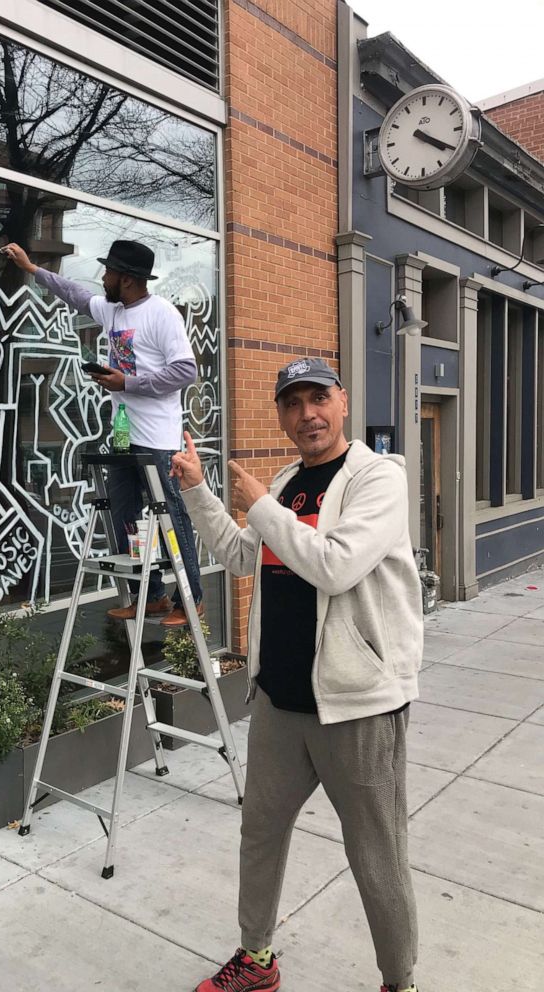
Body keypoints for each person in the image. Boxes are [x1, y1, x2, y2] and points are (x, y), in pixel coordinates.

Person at [171, 357, 423, 992]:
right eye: (292, 402)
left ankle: (401, 980)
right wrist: (200, 492)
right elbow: (238, 558)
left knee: (376, 855)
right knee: (260, 833)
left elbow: (335, 566)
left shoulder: (378, 479)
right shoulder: (285, 484)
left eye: (318, 398)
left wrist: (260, 508)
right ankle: (256, 960)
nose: (307, 413)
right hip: (282, 703)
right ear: (281, 414)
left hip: (357, 705)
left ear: (342, 403)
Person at [4, 238, 203, 626]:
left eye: (109, 271)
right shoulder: (112, 310)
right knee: (125, 518)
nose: (103, 277)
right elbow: (76, 295)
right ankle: (152, 597)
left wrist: (125, 382)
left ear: (127, 279)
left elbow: (185, 371)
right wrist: (31, 269)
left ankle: (191, 598)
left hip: (159, 442)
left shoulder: (162, 314)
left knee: (173, 519)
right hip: (124, 436)